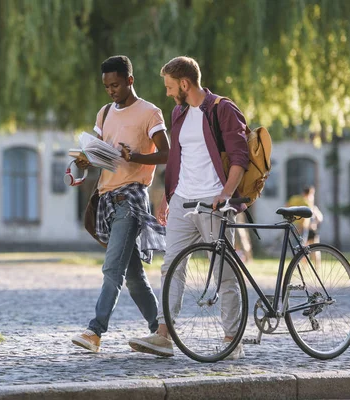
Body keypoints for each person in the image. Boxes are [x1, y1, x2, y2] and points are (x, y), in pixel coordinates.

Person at [128, 56, 249, 359]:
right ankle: (164, 335)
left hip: (213, 202)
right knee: (171, 267)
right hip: (184, 200)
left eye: (170, 86)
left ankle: (233, 338)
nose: (167, 92)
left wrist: (225, 193)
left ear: (184, 83)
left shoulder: (222, 109)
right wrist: (168, 195)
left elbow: (239, 158)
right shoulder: (179, 112)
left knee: (224, 271)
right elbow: (177, 159)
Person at [70, 55, 170, 353]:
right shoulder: (104, 113)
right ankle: (163, 334)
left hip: (131, 200)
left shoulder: (150, 113)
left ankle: (94, 331)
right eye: (106, 87)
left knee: (112, 269)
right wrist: (85, 160)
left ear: (130, 80)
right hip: (106, 200)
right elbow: (99, 151)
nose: (111, 91)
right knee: (135, 278)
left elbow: (167, 153)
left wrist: (135, 157)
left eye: (115, 84)